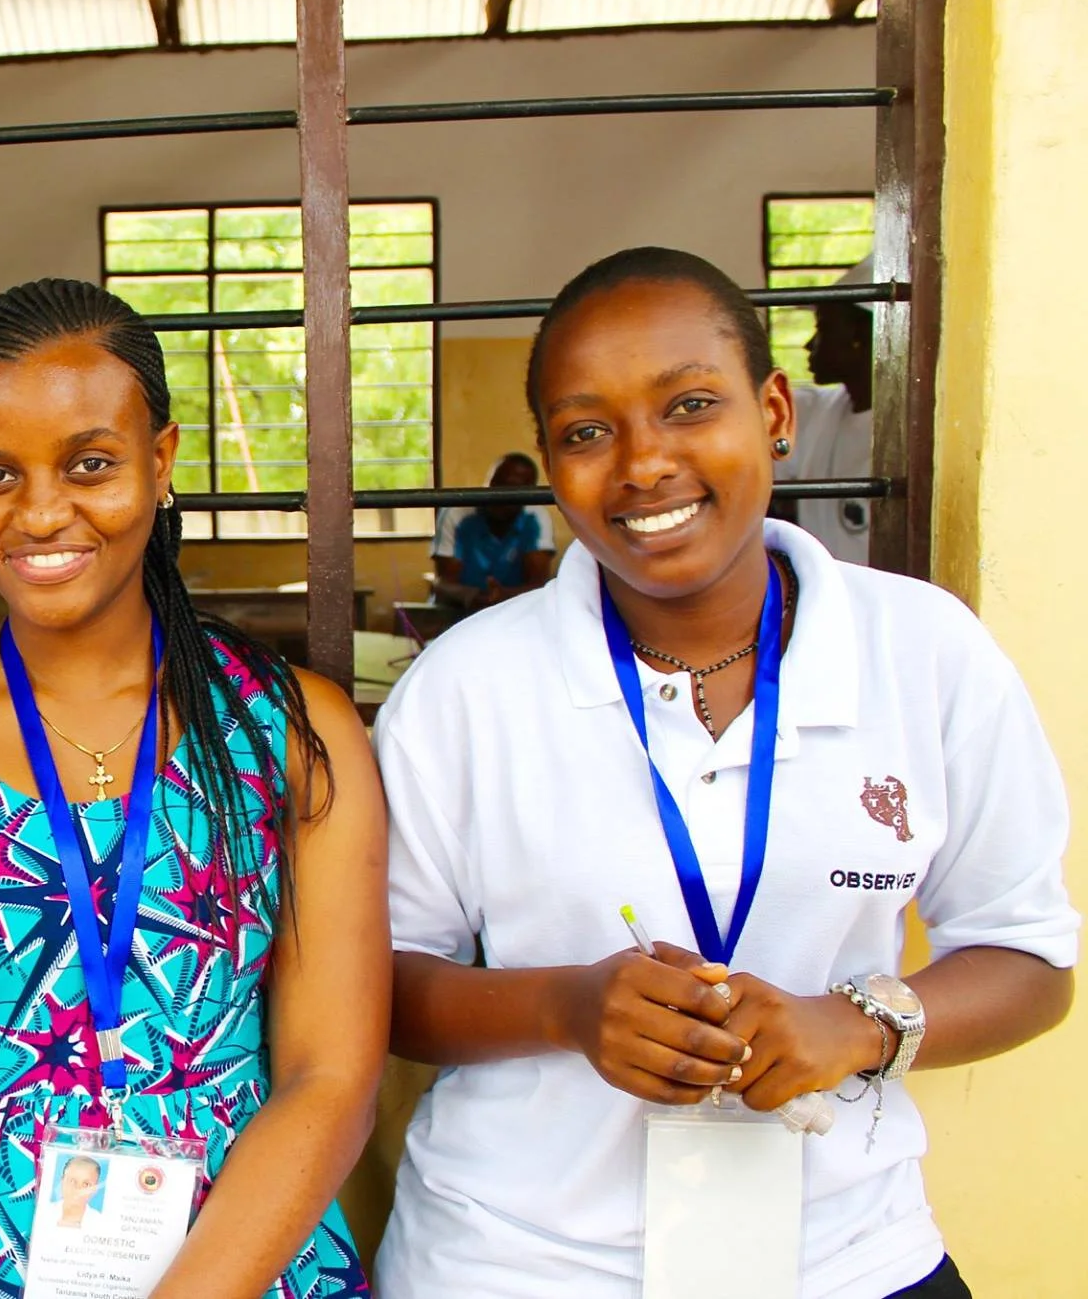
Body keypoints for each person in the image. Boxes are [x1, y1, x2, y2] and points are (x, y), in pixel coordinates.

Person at [376, 248, 1075, 1298]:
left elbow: (1025, 960)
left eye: (689, 404)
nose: (642, 462)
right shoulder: (465, 687)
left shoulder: (924, 653)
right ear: (546, 460)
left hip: (841, 1256)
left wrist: (855, 1025)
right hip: (514, 1260)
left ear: (775, 410)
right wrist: (565, 1009)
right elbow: (380, 984)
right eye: (584, 431)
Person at [0, 278, 389, 1299]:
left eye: (90, 464)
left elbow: (329, 1079)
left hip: (243, 1272)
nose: (39, 513)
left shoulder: (287, 732)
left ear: (161, 463)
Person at [776, 259, 875, 565]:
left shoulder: (904, 436)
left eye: (822, 328)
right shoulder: (818, 411)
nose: (809, 345)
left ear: (857, 336)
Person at [429, 452, 557, 610]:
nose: (500, 495)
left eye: (512, 489)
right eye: (496, 484)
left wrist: (504, 597)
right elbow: (444, 584)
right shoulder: (456, 512)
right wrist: (473, 597)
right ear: (488, 482)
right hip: (458, 611)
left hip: (515, 611)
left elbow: (540, 586)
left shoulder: (535, 517)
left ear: (528, 493)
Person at [55, 1156, 104, 1230]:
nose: (78, 1189)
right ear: (62, 1181)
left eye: (86, 1184)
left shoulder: (101, 1223)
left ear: (94, 1189)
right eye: (73, 1181)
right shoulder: (44, 1212)